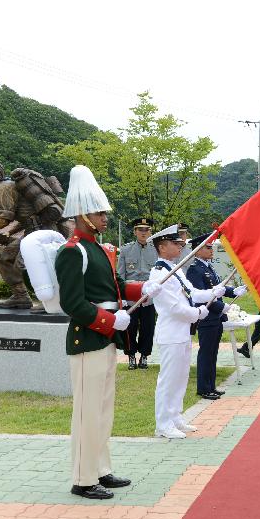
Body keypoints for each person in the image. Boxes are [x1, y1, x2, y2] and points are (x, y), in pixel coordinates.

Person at [54, 165, 160, 499]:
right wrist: (110, 321)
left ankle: (100, 469)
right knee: (87, 411)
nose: (104, 218)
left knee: (103, 408)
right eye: (99, 213)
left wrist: (146, 287)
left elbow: (115, 287)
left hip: (105, 338)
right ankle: (83, 479)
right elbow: (73, 303)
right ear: (83, 215)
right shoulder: (73, 252)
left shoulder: (100, 249)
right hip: (88, 338)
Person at [149, 225, 224, 439]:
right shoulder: (159, 274)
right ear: (162, 247)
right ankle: (163, 424)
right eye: (175, 243)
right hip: (171, 333)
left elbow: (191, 292)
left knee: (181, 377)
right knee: (168, 379)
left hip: (182, 332)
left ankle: (175, 417)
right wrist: (197, 313)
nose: (180, 246)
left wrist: (212, 292)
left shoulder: (176, 270)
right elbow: (173, 307)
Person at [0, 159, 66, 309]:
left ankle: (52, 300)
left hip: (43, 229)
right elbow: (25, 217)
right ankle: (20, 296)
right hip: (33, 229)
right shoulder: (5, 187)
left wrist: (5, 228)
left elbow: (3, 219)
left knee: (25, 263)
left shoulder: (3, 188)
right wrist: (10, 232)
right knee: (4, 256)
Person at [187, 233, 246, 399]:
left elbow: (217, 287)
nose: (211, 249)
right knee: (206, 353)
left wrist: (232, 291)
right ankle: (204, 388)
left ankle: (211, 386)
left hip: (216, 317)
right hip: (207, 317)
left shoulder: (207, 266)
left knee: (213, 352)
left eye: (211, 246)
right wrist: (223, 307)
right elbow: (201, 297)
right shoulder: (194, 270)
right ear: (197, 251)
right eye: (207, 247)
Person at [117, 218, 158, 369]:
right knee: (130, 327)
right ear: (135, 232)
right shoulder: (126, 250)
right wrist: (123, 297)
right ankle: (131, 356)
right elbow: (120, 275)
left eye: (146, 229)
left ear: (150, 232)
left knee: (148, 328)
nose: (143, 232)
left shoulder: (156, 250)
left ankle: (145, 356)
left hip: (149, 296)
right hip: (131, 296)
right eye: (140, 229)